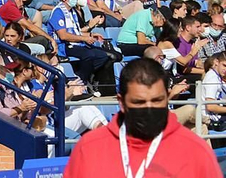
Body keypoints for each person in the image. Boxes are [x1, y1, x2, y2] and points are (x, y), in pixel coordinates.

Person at [64, 56, 217, 178]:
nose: (149, 109)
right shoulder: (89, 148)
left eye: (157, 100)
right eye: (139, 102)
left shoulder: (195, 149)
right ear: (121, 102)